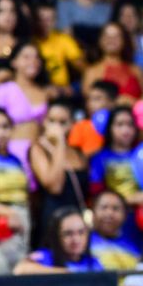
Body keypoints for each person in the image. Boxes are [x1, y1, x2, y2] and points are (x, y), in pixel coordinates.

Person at [30, 99, 90, 238]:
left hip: (77, 220)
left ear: (72, 124)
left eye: (62, 122)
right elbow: (55, 186)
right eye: (51, 121)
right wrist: (60, 143)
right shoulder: (38, 149)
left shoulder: (79, 153)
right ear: (44, 121)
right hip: (53, 219)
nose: (56, 127)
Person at [0, 42, 50, 187]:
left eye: (36, 57)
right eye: (26, 57)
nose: (32, 61)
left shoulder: (44, 92)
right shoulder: (5, 89)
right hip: (12, 149)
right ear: (14, 62)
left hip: (38, 150)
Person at [14, 206, 101, 274]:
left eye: (81, 232)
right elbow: (20, 270)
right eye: (68, 234)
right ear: (56, 236)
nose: (76, 239)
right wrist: (67, 274)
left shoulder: (93, 262)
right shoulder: (45, 257)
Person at [82, 22, 143, 104]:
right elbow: (90, 103)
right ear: (100, 40)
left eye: (116, 36)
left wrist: (130, 102)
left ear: (124, 40)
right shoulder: (92, 72)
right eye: (107, 36)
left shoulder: (136, 70)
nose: (111, 40)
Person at [0, 108, 30, 274]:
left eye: (5, 127)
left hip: (21, 220)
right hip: (5, 220)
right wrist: (9, 213)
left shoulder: (16, 160)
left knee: (18, 274)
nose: (1, 133)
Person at [33, 4, 85, 91]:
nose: (45, 23)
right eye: (41, 19)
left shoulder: (63, 39)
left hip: (61, 89)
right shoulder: (29, 41)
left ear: (55, 21)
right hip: (36, 88)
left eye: (49, 19)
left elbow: (81, 66)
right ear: (35, 21)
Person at [90, 190, 142, 270]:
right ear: (93, 212)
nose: (109, 213)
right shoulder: (82, 242)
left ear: (125, 215)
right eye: (104, 207)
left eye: (115, 209)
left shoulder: (134, 247)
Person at [68, 80, 118, 157]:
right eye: (89, 99)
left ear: (112, 102)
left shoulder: (120, 125)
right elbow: (74, 157)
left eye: (97, 99)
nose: (90, 104)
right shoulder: (80, 127)